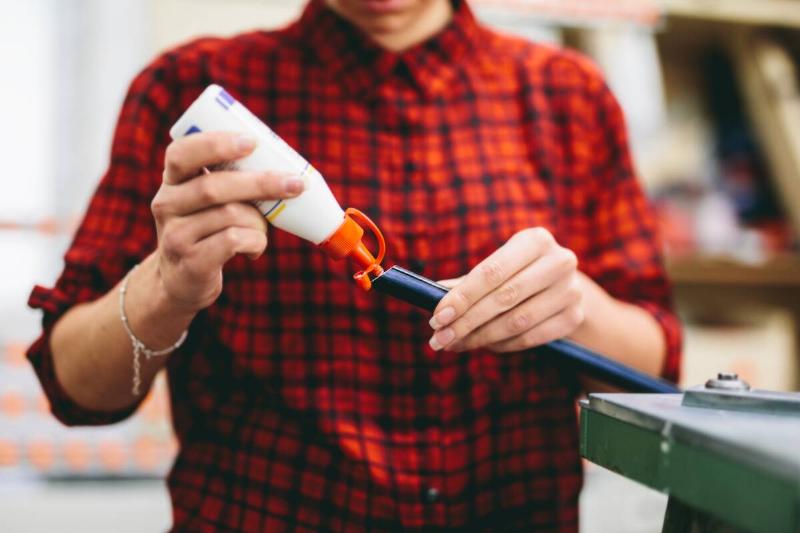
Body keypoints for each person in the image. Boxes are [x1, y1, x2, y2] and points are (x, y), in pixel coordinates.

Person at [27, 0, 681, 530]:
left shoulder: (571, 98)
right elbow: (73, 387)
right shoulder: (187, 94)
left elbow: (658, 371)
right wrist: (166, 287)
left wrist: (577, 306)